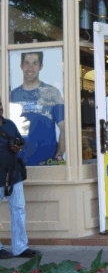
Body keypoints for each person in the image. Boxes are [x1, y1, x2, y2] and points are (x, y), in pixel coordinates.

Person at [0, 97, 41, 259]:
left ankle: (20, 247)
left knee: (18, 209)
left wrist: (18, 145)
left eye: (0, 104)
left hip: (13, 174)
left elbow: (18, 140)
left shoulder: (9, 124)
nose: (0, 108)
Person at [10, 51, 65, 166]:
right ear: (21, 66)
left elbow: (65, 129)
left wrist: (57, 159)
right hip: (18, 168)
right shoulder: (12, 95)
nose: (30, 68)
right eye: (26, 63)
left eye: (35, 63)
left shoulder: (52, 93)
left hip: (45, 168)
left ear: (41, 66)